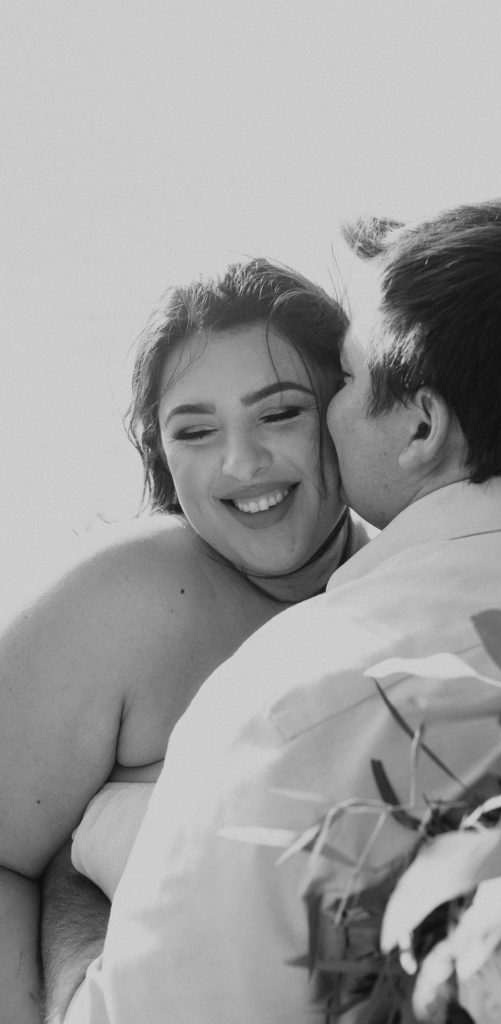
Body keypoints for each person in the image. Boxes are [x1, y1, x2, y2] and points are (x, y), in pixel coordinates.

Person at [62, 199, 501, 1023]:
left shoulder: (301, 704)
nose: (329, 409)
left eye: (345, 379)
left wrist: (82, 906)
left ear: (421, 425)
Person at [0, 258, 369, 1024]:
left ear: (345, 411)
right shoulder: (128, 596)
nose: (241, 463)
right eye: (195, 431)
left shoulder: (410, 580)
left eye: (279, 414)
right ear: (160, 453)